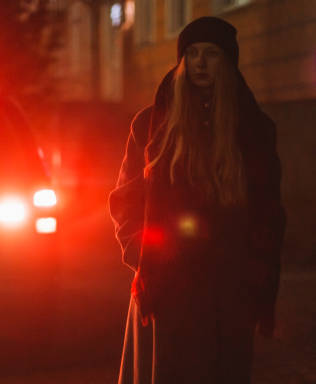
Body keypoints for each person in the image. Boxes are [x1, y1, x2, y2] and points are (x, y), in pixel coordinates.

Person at [108, 17, 285, 384]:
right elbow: (126, 198)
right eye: (192, 54)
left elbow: (269, 212)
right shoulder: (151, 125)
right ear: (182, 62)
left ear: (228, 62)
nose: (201, 63)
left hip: (229, 288)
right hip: (167, 286)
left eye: (212, 54)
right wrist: (143, 252)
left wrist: (256, 275)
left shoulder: (252, 129)